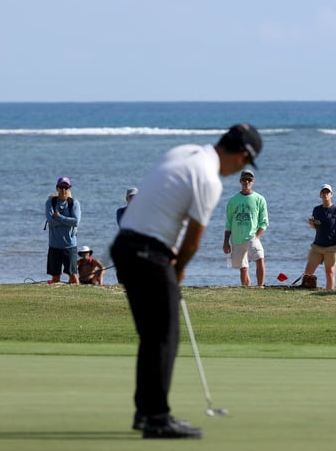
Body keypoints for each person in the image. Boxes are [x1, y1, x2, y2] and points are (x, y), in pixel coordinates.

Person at [110, 123, 261, 439]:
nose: (242, 170)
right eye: (246, 162)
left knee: (153, 335)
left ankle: (145, 410)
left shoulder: (185, 152)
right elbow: (193, 239)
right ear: (240, 155)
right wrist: (177, 272)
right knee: (165, 334)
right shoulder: (209, 180)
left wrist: (171, 264)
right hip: (148, 252)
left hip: (125, 246)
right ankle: (157, 417)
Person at [223, 169, 269, 288]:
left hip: (252, 237)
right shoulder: (233, 200)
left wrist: (257, 236)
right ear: (240, 181)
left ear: (253, 182)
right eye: (244, 179)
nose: (247, 181)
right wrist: (226, 242)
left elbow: (264, 222)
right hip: (237, 238)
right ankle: (246, 289)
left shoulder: (259, 199)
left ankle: (260, 286)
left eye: (249, 179)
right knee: (243, 268)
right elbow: (228, 222)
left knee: (260, 259)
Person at [302, 184, 336, 290]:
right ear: (320, 195)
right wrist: (311, 223)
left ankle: (329, 292)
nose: (325, 194)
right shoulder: (317, 210)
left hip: (332, 247)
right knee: (308, 272)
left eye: (327, 192)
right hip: (317, 246)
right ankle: (303, 290)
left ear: (331, 195)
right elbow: (316, 227)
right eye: (323, 192)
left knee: (329, 271)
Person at [45, 177, 82, 285]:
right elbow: (51, 221)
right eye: (61, 187)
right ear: (57, 188)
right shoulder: (50, 202)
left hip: (69, 245)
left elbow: (75, 221)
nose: (63, 190)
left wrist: (59, 217)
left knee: (73, 276)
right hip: (54, 245)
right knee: (55, 277)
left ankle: (78, 297)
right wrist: (66, 220)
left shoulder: (74, 203)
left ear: (69, 188)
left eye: (66, 187)